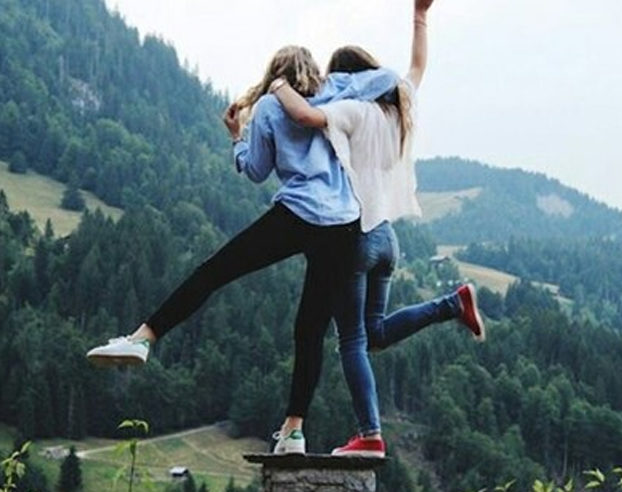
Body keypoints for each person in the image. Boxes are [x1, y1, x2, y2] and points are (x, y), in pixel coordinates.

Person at [86, 45, 399, 455]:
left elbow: (255, 170)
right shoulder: (336, 92)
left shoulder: (270, 106)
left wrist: (237, 138)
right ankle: (293, 432)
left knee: (215, 271)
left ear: (275, 73)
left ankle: (143, 337)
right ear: (312, 69)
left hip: (298, 213)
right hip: (342, 224)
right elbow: (389, 77)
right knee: (310, 331)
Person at [269, 0, 485, 457]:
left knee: (351, 341)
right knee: (376, 333)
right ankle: (452, 303)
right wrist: (420, 16)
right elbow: (418, 67)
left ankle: (370, 433)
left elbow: (304, 116)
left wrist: (278, 86)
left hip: (356, 237)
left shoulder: (352, 110)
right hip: (388, 239)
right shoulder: (398, 108)